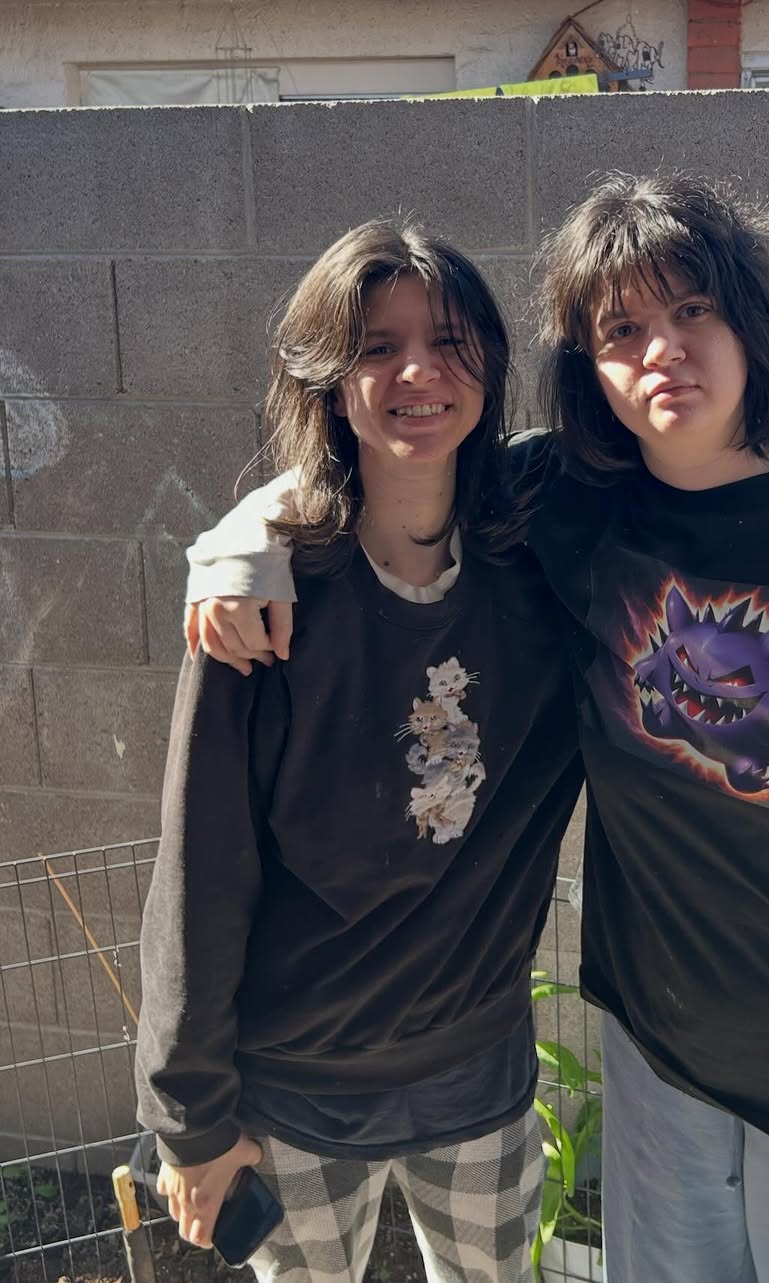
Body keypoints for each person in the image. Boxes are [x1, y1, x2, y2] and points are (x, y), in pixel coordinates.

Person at [178, 180, 769, 1283]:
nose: (664, 350)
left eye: (694, 309)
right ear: (587, 368)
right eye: (622, 329)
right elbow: (380, 460)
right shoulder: (550, 511)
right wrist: (235, 543)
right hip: (612, 1062)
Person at [134, 222, 586, 1283]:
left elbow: (712, 459)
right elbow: (201, 866)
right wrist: (191, 1116)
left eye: (449, 341)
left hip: (477, 1076)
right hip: (294, 1094)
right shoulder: (265, 606)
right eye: (378, 347)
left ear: (491, 366)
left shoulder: (550, 557)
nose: (418, 371)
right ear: (332, 382)